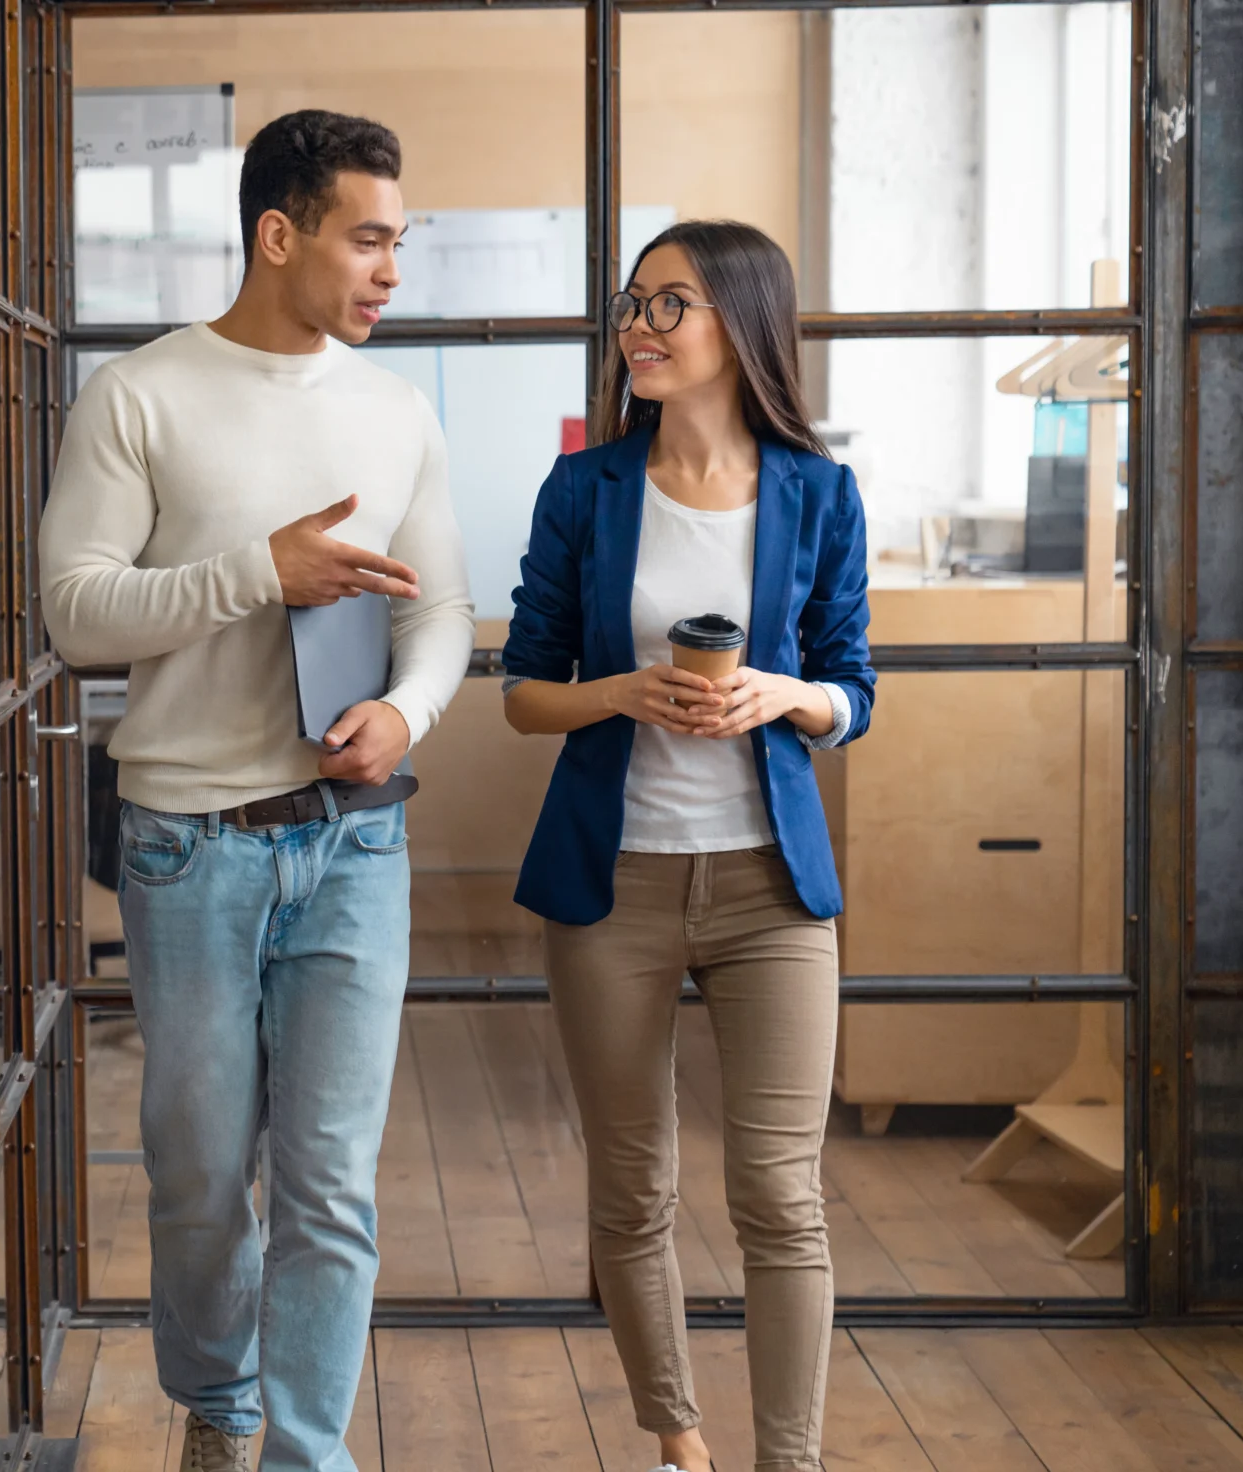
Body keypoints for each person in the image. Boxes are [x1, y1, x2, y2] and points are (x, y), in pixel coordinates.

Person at [38, 110, 475, 1472]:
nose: (391, 269)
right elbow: (75, 615)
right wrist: (255, 575)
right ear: (278, 234)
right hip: (188, 849)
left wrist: (403, 713)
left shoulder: (398, 412)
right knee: (197, 1181)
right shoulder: (140, 396)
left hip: (355, 845)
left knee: (332, 1185)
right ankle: (217, 1409)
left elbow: (446, 615)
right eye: (368, 237)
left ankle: (299, 1452)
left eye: (400, 241)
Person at [499, 219, 875, 1472]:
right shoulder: (586, 487)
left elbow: (852, 689)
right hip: (616, 886)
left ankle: (790, 1460)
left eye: (671, 307)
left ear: (741, 329)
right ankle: (679, 1442)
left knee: (780, 1193)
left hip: (772, 887)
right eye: (633, 303)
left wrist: (784, 693)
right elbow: (521, 689)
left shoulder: (818, 492)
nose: (638, 328)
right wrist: (621, 691)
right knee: (633, 1186)